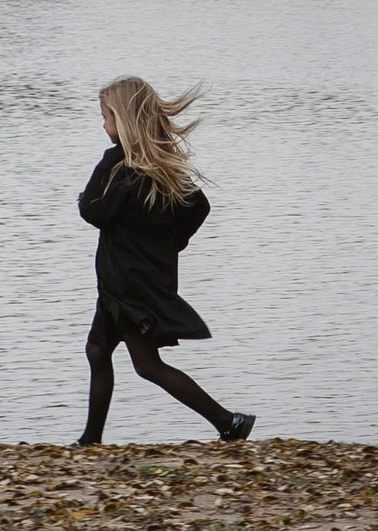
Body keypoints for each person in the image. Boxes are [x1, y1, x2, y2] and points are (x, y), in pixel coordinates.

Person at [74, 76, 255, 446]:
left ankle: (228, 421)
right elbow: (198, 207)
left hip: (130, 285)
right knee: (97, 351)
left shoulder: (122, 169)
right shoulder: (155, 167)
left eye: (106, 116)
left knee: (147, 366)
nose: (103, 124)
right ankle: (90, 440)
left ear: (123, 121)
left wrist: (108, 162)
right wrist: (173, 243)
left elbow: (93, 212)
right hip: (125, 280)